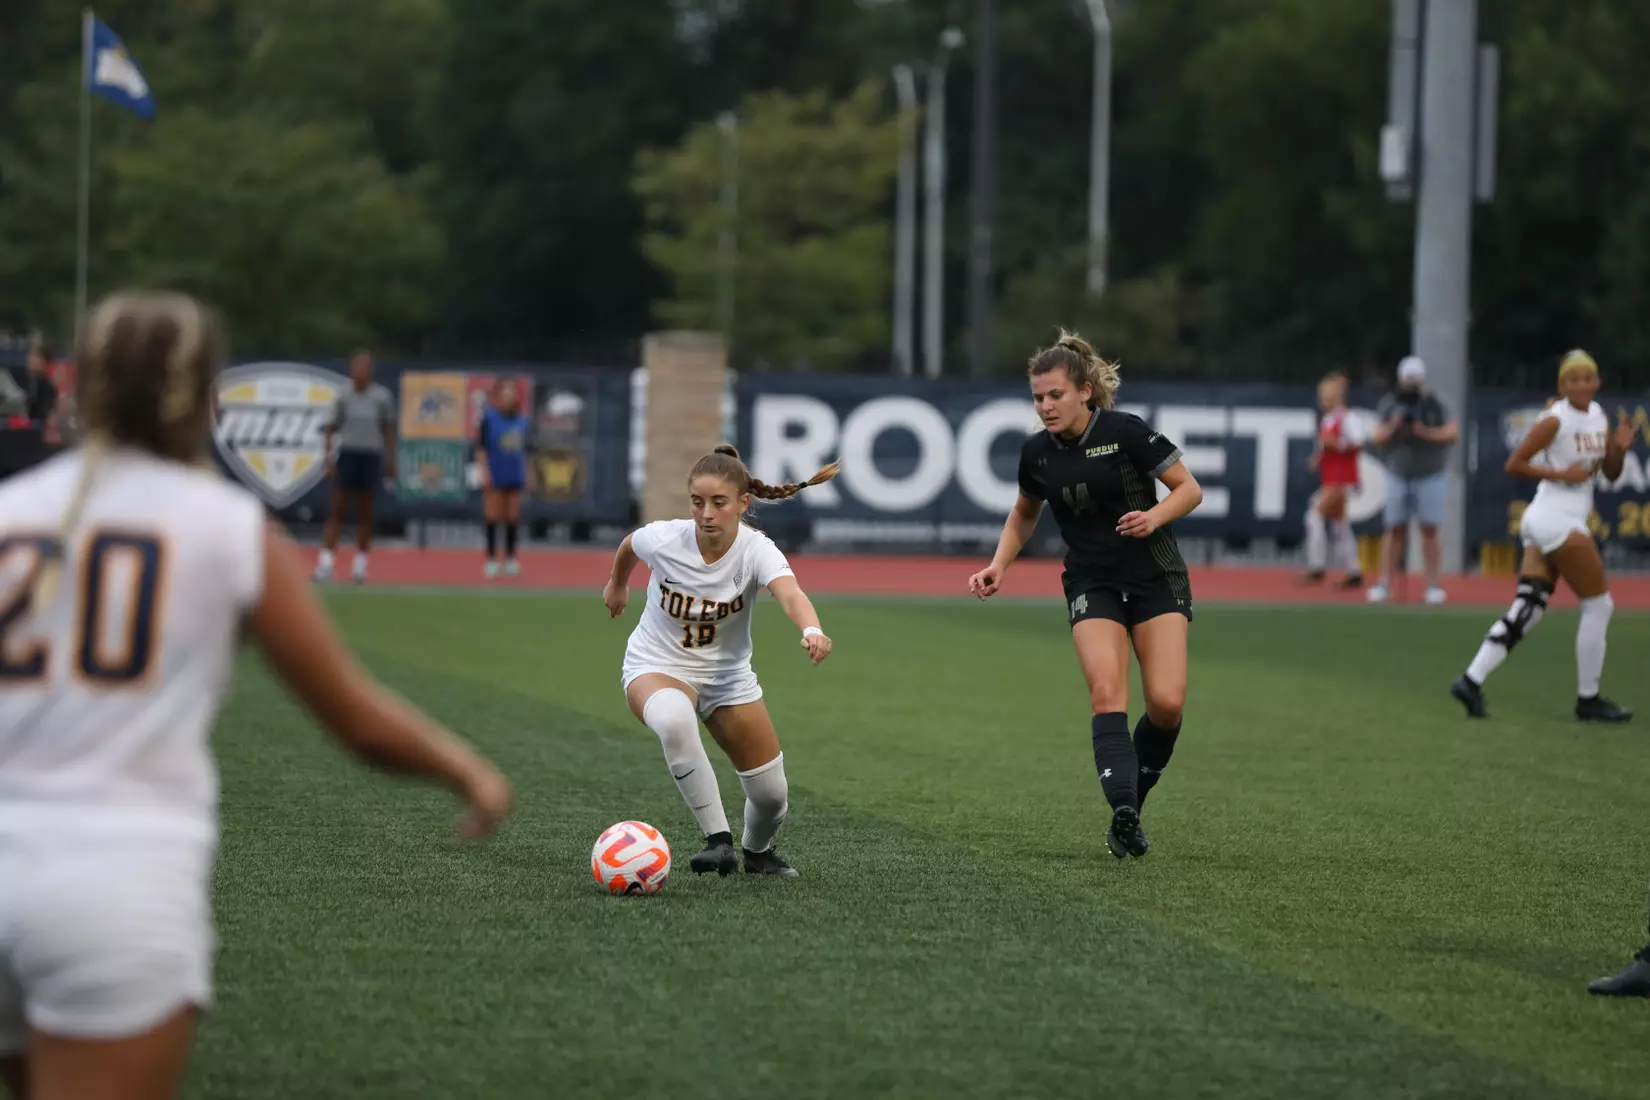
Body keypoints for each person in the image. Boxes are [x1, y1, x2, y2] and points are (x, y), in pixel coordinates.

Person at [0, 291, 511, 1100]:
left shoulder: (8, 512)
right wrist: (469, 771)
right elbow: (356, 720)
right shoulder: (225, 526)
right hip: (113, 885)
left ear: (76, 392)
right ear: (207, 401)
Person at [968, 330, 1204, 861]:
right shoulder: (1037, 454)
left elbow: (1188, 489)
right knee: (1107, 694)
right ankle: (1122, 810)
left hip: (1155, 577)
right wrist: (998, 565)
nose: (1046, 406)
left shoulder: (1125, 433)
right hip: (1091, 583)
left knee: (1166, 705)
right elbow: (1024, 512)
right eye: (1038, 397)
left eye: (1055, 395)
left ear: (1085, 392)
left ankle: (1131, 807)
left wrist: (1155, 516)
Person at [602, 444, 837, 879]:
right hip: (656, 664)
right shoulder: (666, 537)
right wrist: (617, 586)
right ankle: (718, 841)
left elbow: (790, 592)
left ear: (743, 503)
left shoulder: (755, 549)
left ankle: (757, 853)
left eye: (718, 502)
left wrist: (811, 629)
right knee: (673, 719)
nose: (706, 513)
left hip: (728, 680)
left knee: (771, 797)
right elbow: (629, 545)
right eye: (697, 501)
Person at [1450, 349, 1633, 723]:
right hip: (1555, 518)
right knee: (1599, 606)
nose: (1581, 384)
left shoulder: (1599, 415)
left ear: (1597, 382)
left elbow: (1610, 474)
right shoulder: (1555, 419)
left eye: (1588, 377)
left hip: (1553, 520)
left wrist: (1618, 447)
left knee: (1530, 606)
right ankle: (1589, 699)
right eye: (1573, 378)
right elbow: (1514, 463)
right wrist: (1562, 476)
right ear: (1562, 385)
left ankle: (1471, 680)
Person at [1365, 356, 1459, 605]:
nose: (1410, 386)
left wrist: (1423, 432)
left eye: (1414, 381)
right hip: (1398, 472)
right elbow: (1376, 437)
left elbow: (1452, 432)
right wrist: (1393, 428)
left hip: (1430, 473)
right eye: (1407, 381)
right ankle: (1384, 583)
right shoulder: (1390, 403)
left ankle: (1432, 585)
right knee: (1394, 528)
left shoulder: (1435, 403)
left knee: (1430, 529)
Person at [314, 349, 396, 584]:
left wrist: (391, 459)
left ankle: (360, 565)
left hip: (370, 456)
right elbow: (330, 427)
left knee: (365, 513)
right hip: (348, 455)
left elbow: (388, 430)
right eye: (358, 366)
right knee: (338, 510)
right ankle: (325, 564)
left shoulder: (382, 397)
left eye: (366, 366)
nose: (362, 371)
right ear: (351, 369)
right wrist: (328, 458)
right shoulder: (342, 396)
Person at [1301, 371, 1365, 588]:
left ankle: (1317, 566)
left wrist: (1335, 445)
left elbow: (1358, 444)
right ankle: (1354, 570)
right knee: (1339, 525)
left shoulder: (1347, 418)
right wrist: (1319, 458)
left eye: (1327, 395)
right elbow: (1328, 446)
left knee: (1314, 516)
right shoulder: (1328, 420)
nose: (1323, 400)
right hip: (1332, 477)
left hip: (1341, 479)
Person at [476, 378, 532, 578]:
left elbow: (527, 450)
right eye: (505, 392)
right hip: (495, 472)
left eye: (512, 392)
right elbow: (481, 448)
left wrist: (528, 473)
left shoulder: (522, 420)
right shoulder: (489, 419)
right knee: (492, 515)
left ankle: (510, 558)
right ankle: (491, 559)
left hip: (514, 472)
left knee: (512, 517)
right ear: (497, 396)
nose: (509, 396)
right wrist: (484, 471)